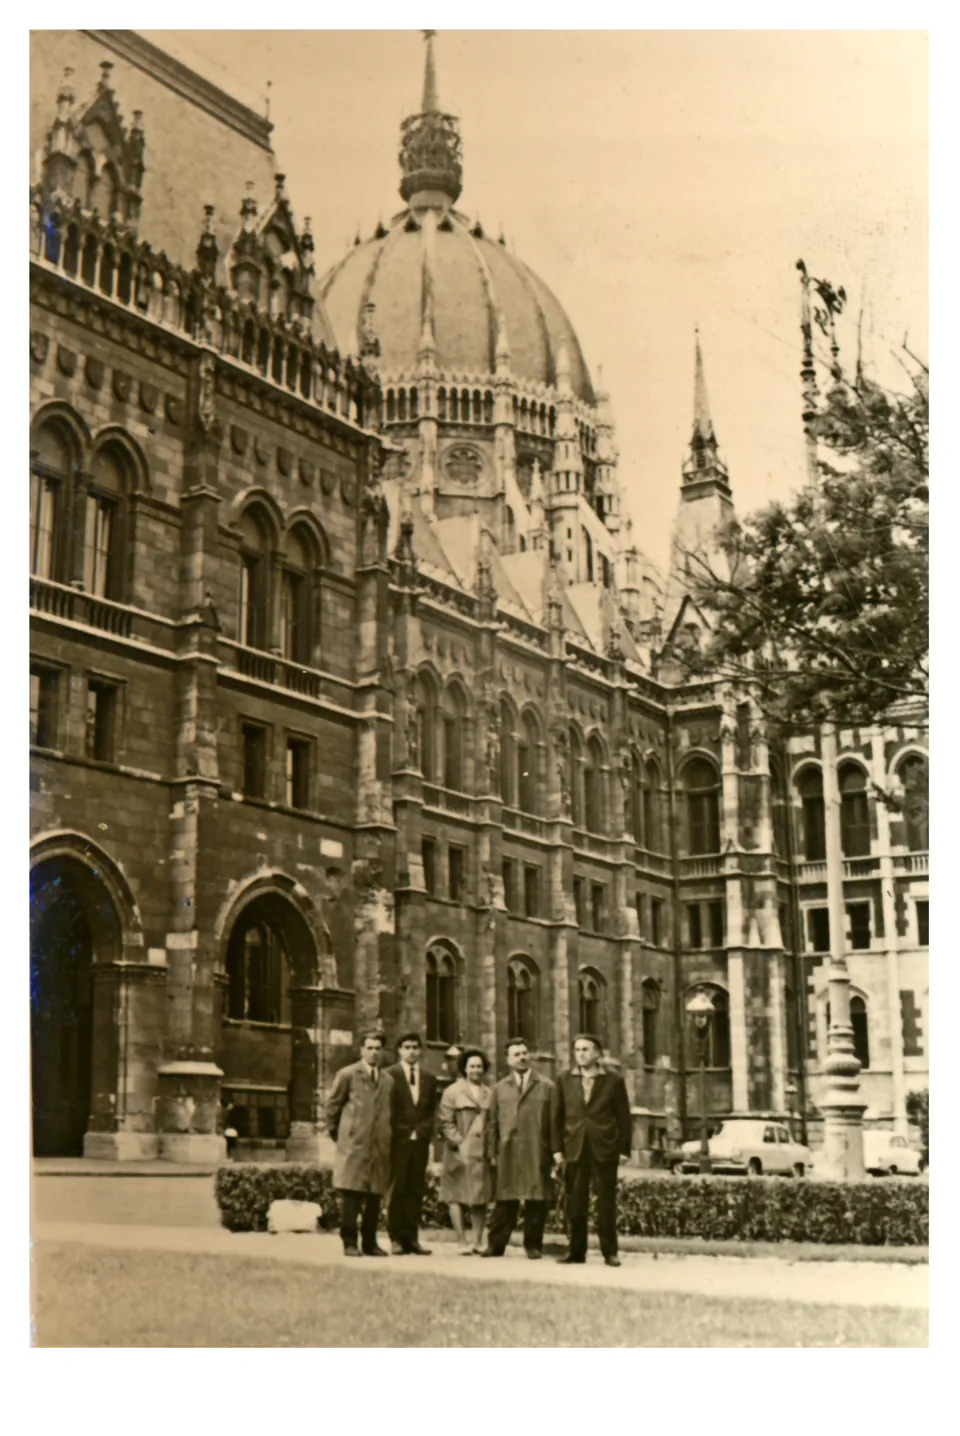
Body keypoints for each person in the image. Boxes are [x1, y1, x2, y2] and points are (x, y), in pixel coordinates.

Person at [551, 1033, 632, 1267]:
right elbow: (555, 1116)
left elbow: (623, 1116)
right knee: (575, 1202)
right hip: (574, 1147)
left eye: (586, 1049)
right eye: (577, 1050)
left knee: (605, 1201)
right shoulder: (564, 1080)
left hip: (604, 1148)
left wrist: (624, 1149)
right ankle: (576, 1252)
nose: (581, 1054)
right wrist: (557, 1149)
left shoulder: (613, 1081)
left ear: (597, 1053)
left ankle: (610, 1253)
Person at [482, 1038, 554, 1259]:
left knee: (536, 1200)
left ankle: (533, 1245)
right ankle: (496, 1245)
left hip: (536, 1149)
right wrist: (491, 1152)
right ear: (508, 1060)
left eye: (524, 1053)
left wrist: (552, 1153)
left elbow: (553, 1123)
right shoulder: (498, 1089)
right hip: (508, 1151)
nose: (522, 1057)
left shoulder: (546, 1086)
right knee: (505, 1200)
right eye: (516, 1054)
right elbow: (491, 1123)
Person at [324, 1031, 394, 1258]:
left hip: (378, 1147)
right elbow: (332, 1108)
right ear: (361, 1049)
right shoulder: (347, 1075)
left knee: (374, 1196)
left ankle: (370, 1242)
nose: (374, 1052)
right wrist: (345, 1135)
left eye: (377, 1048)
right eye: (370, 1047)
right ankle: (349, 1242)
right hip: (354, 1145)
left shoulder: (387, 1080)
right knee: (351, 1196)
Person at [385, 1031, 440, 1254]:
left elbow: (429, 1111)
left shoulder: (429, 1078)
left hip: (420, 1142)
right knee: (397, 1188)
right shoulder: (389, 1075)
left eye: (415, 1047)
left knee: (416, 1189)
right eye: (407, 1047)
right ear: (399, 1050)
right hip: (398, 1141)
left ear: (420, 1050)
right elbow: (388, 1110)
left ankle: (412, 1238)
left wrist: (423, 1132)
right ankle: (396, 1238)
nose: (411, 1051)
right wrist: (403, 1132)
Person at [437, 1047, 494, 1253]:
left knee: (479, 1197)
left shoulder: (490, 1093)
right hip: (458, 1152)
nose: (476, 1070)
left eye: (479, 1066)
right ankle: (461, 1242)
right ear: (464, 1068)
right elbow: (445, 1122)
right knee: (456, 1196)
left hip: (482, 1154)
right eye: (471, 1066)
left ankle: (477, 1241)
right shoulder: (452, 1092)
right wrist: (460, 1144)